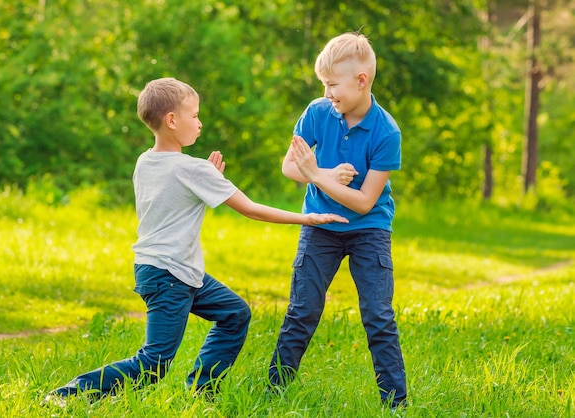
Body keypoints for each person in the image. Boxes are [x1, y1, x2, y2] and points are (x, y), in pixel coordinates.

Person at [43, 77, 347, 406]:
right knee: (153, 364)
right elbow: (251, 209)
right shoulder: (192, 170)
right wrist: (307, 218)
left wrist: (207, 178)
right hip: (170, 276)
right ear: (172, 120)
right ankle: (67, 395)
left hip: (163, 270)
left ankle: (202, 392)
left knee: (235, 314)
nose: (200, 123)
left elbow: (175, 195)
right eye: (194, 115)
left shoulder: (146, 161)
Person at [267, 32, 407, 409]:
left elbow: (363, 202)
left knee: (378, 316)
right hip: (319, 225)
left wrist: (316, 175)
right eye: (324, 85)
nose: (327, 93)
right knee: (303, 309)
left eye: (332, 85)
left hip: (369, 230)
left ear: (361, 81)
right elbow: (288, 166)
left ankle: (396, 403)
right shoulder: (317, 112)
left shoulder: (386, 132)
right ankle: (274, 391)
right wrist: (322, 175)